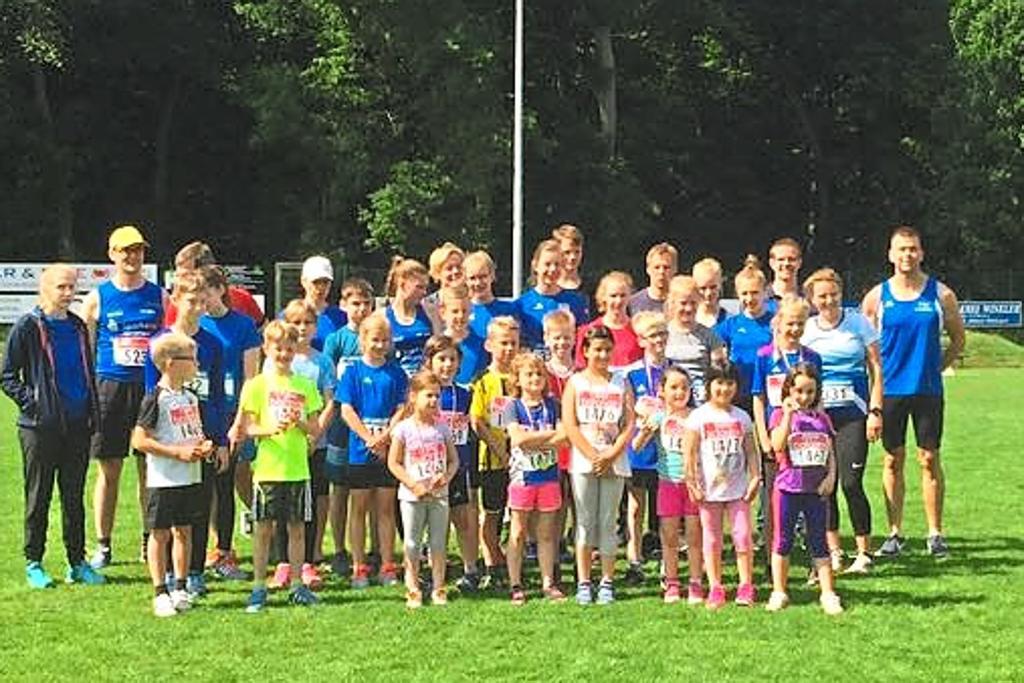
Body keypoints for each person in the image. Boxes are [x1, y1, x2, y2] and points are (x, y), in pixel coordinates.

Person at [861, 225, 965, 558]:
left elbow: (958, 340)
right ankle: (895, 533)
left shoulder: (941, 294)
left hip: (928, 392)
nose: (907, 255)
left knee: (929, 459)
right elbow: (866, 348)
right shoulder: (877, 297)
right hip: (890, 392)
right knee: (893, 459)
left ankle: (935, 533)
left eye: (913, 249)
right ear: (891, 254)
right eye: (901, 249)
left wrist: (936, 367)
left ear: (921, 253)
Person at [2, 264, 105, 588]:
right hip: (39, 428)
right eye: (61, 287)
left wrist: (90, 411)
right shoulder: (27, 327)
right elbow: (6, 375)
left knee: (73, 497)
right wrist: (33, 404)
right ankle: (34, 561)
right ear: (44, 288)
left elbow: (86, 370)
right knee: (39, 496)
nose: (68, 293)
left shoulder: (76, 326)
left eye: (72, 287)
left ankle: (77, 562)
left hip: (77, 426)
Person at [79, 225, 169, 569]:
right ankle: (103, 544)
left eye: (138, 250)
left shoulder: (159, 296)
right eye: (126, 251)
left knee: (149, 468)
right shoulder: (98, 298)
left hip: (148, 391)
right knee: (109, 468)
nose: (133, 257)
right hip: (110, 389)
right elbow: (85, 348)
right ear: (112, 254)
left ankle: (150, 539)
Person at [144, 271, 230, 598]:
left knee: (198, 506)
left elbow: (220, 395)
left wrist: (220, 440)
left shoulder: (213, 345)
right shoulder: (160, 343)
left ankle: (193, 573)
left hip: (202, 436)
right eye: (190, 300)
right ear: (176, 300)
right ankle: (164, 574)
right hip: (167, 437)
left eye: (202, 300)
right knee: (165, 508)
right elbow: (150, 394)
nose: (197, 306)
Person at [236, 320, 323, 612]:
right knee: (264, 530)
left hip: (298, 469)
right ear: (266, 349)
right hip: (268, 470)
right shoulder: (256, 385)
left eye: (289, 348)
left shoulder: (306, 385)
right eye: (278, 349)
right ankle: (260, 586)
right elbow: (248, 427)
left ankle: (298, 584)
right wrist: (269, 428)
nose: (284, 354)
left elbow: (314, 428)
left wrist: (300, 423)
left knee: (297, 529)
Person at [802, 268, 883, 573]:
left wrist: (875, 411)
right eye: (822, 296)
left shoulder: (858, 323)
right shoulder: (808, 329)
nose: (829, 300)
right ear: (812, 299)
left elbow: (876, 368)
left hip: (854, 415)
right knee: (826, 486)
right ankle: (834, 550)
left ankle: (864, 553)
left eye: (833, 294)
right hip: (819, 418)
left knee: (851, 482)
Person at [131, 333, 213, 616]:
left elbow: (193, 432)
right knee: (160, 533)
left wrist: (203, 446)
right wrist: (175, 453)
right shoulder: (156, 398)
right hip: (163, 478)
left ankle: (180, 585)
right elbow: (139, 440)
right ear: (169, 363)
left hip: (190, 476)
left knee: (184, 531)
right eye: (190, 360)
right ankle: (159, 591)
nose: (196, 365)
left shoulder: (190, 397)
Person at [562, 325, 635, 606]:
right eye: (597, 350)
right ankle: (583, 581)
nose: (602, 355)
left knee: (608, 521)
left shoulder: (620, 381)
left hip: (614, 461)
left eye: (607, 349)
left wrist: (612, 454)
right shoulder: (576, 383)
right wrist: (592, 454)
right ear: (585, 351)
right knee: (584, 520)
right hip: (584, 461)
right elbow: (570, 423)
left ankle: (606, 580)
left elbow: (628, 423)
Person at [267, 300, 336, 591]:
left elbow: (330, 400)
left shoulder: (322, 361)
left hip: (314, 445)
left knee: (307, 506)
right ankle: (283, 563)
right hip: (281, 448)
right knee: (281, 506)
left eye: (307, 323)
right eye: (295, 323)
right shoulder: (277, 361)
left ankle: (307, 561)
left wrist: (315, 434)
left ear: (315, 326)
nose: (301, 328)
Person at [199, 265, 261, 581]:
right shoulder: (194, 325)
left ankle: (225, 552)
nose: (202, 300)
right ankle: (201, 555)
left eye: (206, 293)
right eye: (197, 294)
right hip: (198, 416)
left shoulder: (244, 326)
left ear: (220, 290)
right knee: (199, 486)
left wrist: (240, 421)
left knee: (225, 484)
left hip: (231, 415)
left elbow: (251, 379)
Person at [766, 363, 843, 615]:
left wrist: (831, 476)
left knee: (819, 541)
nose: (804, 397)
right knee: (783, 540)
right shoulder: (779, 415)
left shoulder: (822, 418)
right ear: (788, 390)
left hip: (816, 489)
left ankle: (828, 593)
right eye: (799, 391)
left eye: (810, 392)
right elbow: (776, 445)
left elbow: (831, 450)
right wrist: (788, 415)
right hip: (788, 488)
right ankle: (779, 591)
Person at [337, 312, 407, 587]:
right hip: (359, 451)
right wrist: (368, 438)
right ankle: (359, 566)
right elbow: (346, 409)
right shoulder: (353, 372)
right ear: (362, 340)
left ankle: (387, 565)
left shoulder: (395, 372)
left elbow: (402, 408)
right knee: (359, 508)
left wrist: (386, 437)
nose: (380, 345)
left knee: (386, 508)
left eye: (385, 340)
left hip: (387, 451)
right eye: (374, 339)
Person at [684, 362, 760, 610]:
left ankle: (746, 584)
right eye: (718, 383)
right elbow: (690, 453)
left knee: (742, 535)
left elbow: (750, 450)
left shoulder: (742, 417)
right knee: (713, 538)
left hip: (738, 489)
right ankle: (715, 585)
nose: (724, 388)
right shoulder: (698, 417)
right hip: (709, 490)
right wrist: (692, 482)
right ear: (708, 386)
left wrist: (755, 477)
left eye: (729, 383)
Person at [632, 365, 704, 604]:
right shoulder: (659, 417)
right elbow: (636, 447)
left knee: (694, 537)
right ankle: (672, 583)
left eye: (684, 387)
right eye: (673, 387)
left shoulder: (697, 416)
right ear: (662, 391)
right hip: (667, 484)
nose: (679, 392)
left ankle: (695, 582)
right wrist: (644, 431)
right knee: (670, 537)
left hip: (692, 485)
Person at [388, 370, 459, 608]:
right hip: (411, 496)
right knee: (412, 542)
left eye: (437, 396)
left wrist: (446, 477)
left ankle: (439, 586)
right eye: (428, 395)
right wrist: (413, 484)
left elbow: (453, 460)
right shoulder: (403, 429)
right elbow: (394, 462)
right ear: (413, 397)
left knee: (438, 542)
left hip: (439, 495)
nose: (433, 401)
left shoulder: (442, 428)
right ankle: (412, 587)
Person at [321, 276, 375, 577]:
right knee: (339, 488)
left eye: (366, 303)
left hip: (372, 424)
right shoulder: (336, 339)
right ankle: (340, 549)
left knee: (368, 490)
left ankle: (371, 549)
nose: (361, 309)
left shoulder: (378, 336)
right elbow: (329, 379)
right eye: (355, 303)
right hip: (342, 425)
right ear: (343, 305)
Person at [505, 352, 568, 604]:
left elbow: (564, 438)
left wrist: (536, 438)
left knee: (546, 533)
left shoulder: (554, 405)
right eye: (529, 374)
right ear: (518, 379)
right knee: (518, 532)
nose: (535, 379)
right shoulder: (513, 406)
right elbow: (518, 439)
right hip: (522, 478)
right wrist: (549, 435)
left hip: (549, 477)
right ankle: (515, 583)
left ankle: (547, 583)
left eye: (539, 374)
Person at [424, 336, 479, 592]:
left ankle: (471, 569)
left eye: (452, 360)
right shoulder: (424, 394)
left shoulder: (466, 394)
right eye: (441, 359)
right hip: (430, 468)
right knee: (436, 521)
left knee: (462, 518)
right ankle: (437, 569)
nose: (447, 365)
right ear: (430, 362)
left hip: (458, 467)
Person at [469, 316, 520, 589]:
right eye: (503, 343)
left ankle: (512, 558)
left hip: (521, 458)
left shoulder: (522, 378)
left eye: (513, 343)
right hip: (491, 460)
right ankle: (491, 562)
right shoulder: (483, 380)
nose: (509, 349)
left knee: (520, 512)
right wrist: (498, 448)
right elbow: (477, 420)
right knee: (492, 512)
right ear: (489, 345)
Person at [622, 311, 671, 584]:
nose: (659, 340)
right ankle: (634, 560)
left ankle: (667, 562)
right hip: (639, 449)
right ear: (641, 340)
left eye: (663, 334)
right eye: (653, 336)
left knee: (665, 509)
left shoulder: (675, 370)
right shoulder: (632, 374)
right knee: (635, 506)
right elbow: (626, 412)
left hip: (666, 450)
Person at [713, 257, 773, 414]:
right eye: (744, 293)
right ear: (737, 294)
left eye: (754, 293)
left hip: (768, 394)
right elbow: (709, 344)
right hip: (738, 394)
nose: (749, 298)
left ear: (765, 292)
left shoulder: (775, 323)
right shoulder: (731, 324)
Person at [543, 309, 577, 560]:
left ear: (575, 338)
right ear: (546, 339)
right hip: (551, 445)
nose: (562, 343)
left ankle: (574, 547)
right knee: (554, 501)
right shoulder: (541, 373)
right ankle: (551, 548)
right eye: (556, 338)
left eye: (566, 337)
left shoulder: (582, 372)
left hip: (578, 446)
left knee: (574, 499)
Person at [514, 240, 589, 354]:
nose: (553, 269)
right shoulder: (521, 305)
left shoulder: (576, 301)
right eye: (547, 264)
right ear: (535, 266)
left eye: (557, 264)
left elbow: (583, 343)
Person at [664, 275, 727, 405]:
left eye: (693, 303)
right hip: (670, 405)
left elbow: (719, 373)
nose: (688, 308)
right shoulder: (664, 334)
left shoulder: (710, 336)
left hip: (700, 404)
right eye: (683, 303)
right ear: (672, 303)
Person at [167, 241, 264, 326]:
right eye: (178, 275)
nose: (180, 281)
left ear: (206, 270)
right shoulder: (179, 303)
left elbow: (263, 332)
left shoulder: (242, 298)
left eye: (186, 275)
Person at [574, 271, 642, 373]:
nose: (618, 301)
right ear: (603, 297)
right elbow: (581, 368)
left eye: (623, 295)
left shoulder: (639, 329)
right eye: (613, 296)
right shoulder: (589, 330)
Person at [385, 256, 438, 376]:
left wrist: (435, 320)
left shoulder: (429, 313)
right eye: (419, 287)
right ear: (402, 284)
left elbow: (441, 346)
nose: (424, 292)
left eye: (425, 288)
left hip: (425, 385)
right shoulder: (383, 316)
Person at [293, 255, 347, 352]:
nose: (321, 287)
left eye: (325, 282)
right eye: (316, 282)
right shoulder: (288, 316)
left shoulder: (341, 317)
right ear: (303, 281)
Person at [438, 284, 488, 386]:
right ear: (443, 312)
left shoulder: (480, 344)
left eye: (464, 311)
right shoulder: (436, 344)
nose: (460, 316)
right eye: (455, 311)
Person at [464, 250, 516, 341]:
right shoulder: (461, 312)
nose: (478, 283)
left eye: (483, 277)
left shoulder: (509, 310)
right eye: (472, 278)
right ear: (465, 280)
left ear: (492, 276)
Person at [628, 243, 679, 315]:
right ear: (648, 269)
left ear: (675, 269)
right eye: (657, 267)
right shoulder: (633, 303)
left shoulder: (681, 303)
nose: (661, 272)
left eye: (666, 267)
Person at [423, 241, 466, 310]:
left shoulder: (475, 302)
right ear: (437, 273)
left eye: (459, 266)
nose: (456, 271)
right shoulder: (426, 305)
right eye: (449, 268)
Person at [692, 257, 728, 328]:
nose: (708, 293)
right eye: (703, 288)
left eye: (713, 287)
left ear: (720, 284)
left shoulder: (731, 321)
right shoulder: (688, 319)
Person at [552, 224, 586, 297]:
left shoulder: (591, 288)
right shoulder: (546, 287)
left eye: (577, 252)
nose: (573, 257)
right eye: (567, 252)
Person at [767, 238, 803, 304]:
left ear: (799, 263)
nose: (786, 263)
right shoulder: (761, 298)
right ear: (771, 263)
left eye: (791, 259)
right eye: (781, 259)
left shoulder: (809, 298)